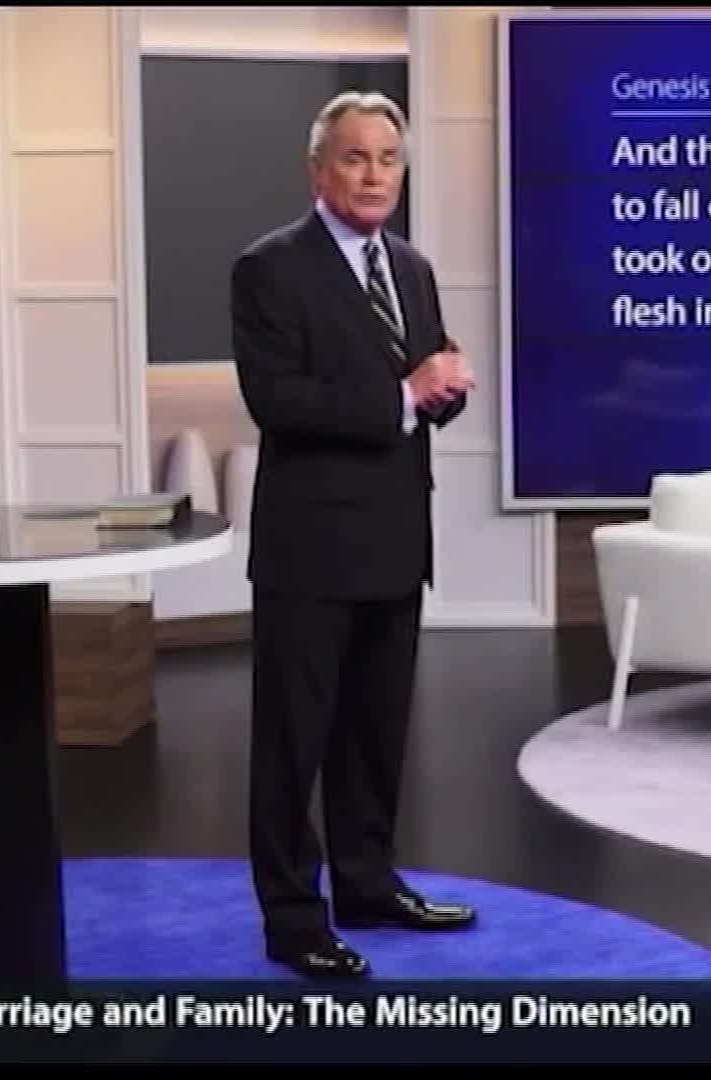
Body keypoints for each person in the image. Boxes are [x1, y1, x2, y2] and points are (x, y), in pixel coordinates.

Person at [229, 91, 477, 981]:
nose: (375, 175)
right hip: (309, 552)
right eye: (355, 157)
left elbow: (420, 388)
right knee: (292, 744)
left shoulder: (410, 267)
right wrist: (406, 394)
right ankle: (294, 918)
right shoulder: (269, 269)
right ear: (318, 170)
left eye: (388, 159)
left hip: (395, 542)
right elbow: (278, 401)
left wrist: (443, 391)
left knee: (375, 735)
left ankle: (368, 885)